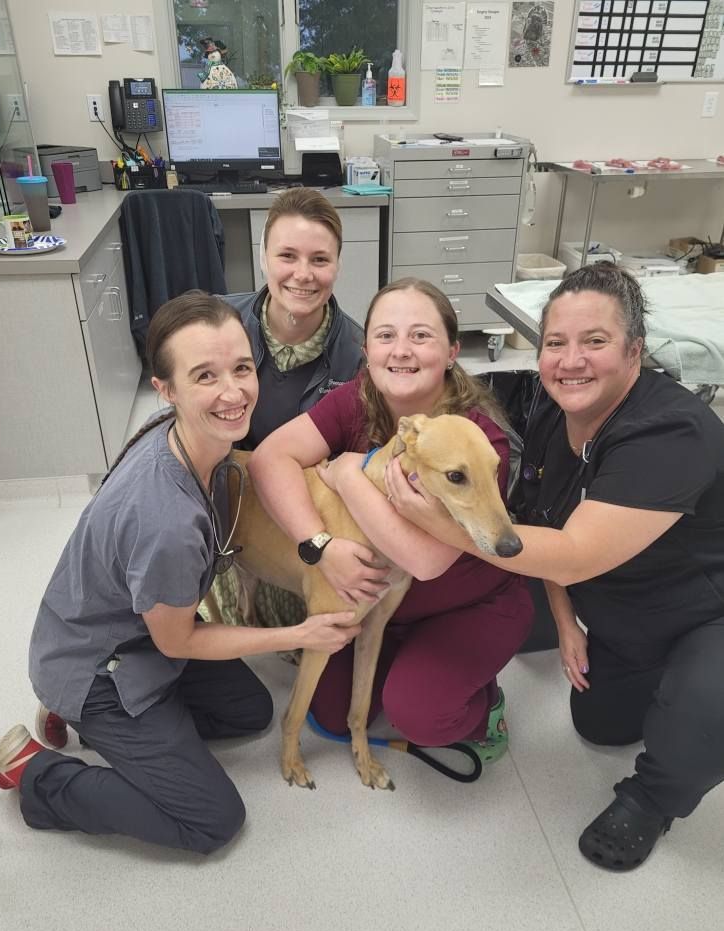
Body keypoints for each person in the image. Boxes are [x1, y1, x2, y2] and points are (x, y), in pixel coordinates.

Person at [0, 291, 359, 854]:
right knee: (211, 819)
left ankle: (119, 733)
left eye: (240, 368)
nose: (233, 393)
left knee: (251, 711)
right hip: (101, 668)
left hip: (129, 637)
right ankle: (37, 774)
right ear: (166, 389)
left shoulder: (188, 437)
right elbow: (179, 637)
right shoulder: (167, 518)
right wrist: (300, 634)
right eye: (205, 376)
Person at [382, 263, 724, 871]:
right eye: (555, 344)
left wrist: (437, 524)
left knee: (701, 720)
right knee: (599, 726)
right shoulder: (552, 417)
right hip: (620, 607)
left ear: (635, 351)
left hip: (707, 611)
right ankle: (661, 680)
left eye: (595, 341)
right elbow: (541, 521)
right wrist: (566, 623)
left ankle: (651, 801)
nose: (571, 361)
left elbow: (574, 551)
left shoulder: (673, 431)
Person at [248, 277, 534, 760]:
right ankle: (405, 665)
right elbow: (267, 459)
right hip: (384, 601)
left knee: (419, 714)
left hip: (466, 602)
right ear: (367, 349)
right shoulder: (360, 397)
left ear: (451, 352)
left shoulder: (479, 444)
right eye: (385, 335)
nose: (401, 350)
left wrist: (348, 477)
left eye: (421, 335)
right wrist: (320, 543)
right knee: (331, 714)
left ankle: (484, 708)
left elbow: (424, 563)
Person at [205, 186, 364, 627]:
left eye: (319, 260)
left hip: (293, 519)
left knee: (300, 639)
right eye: (287, 256)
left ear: (337, 265)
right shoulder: (217, 324)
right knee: (208, 625)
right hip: (219, 499)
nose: (303, 274)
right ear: (262, 256)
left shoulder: (358, 356)